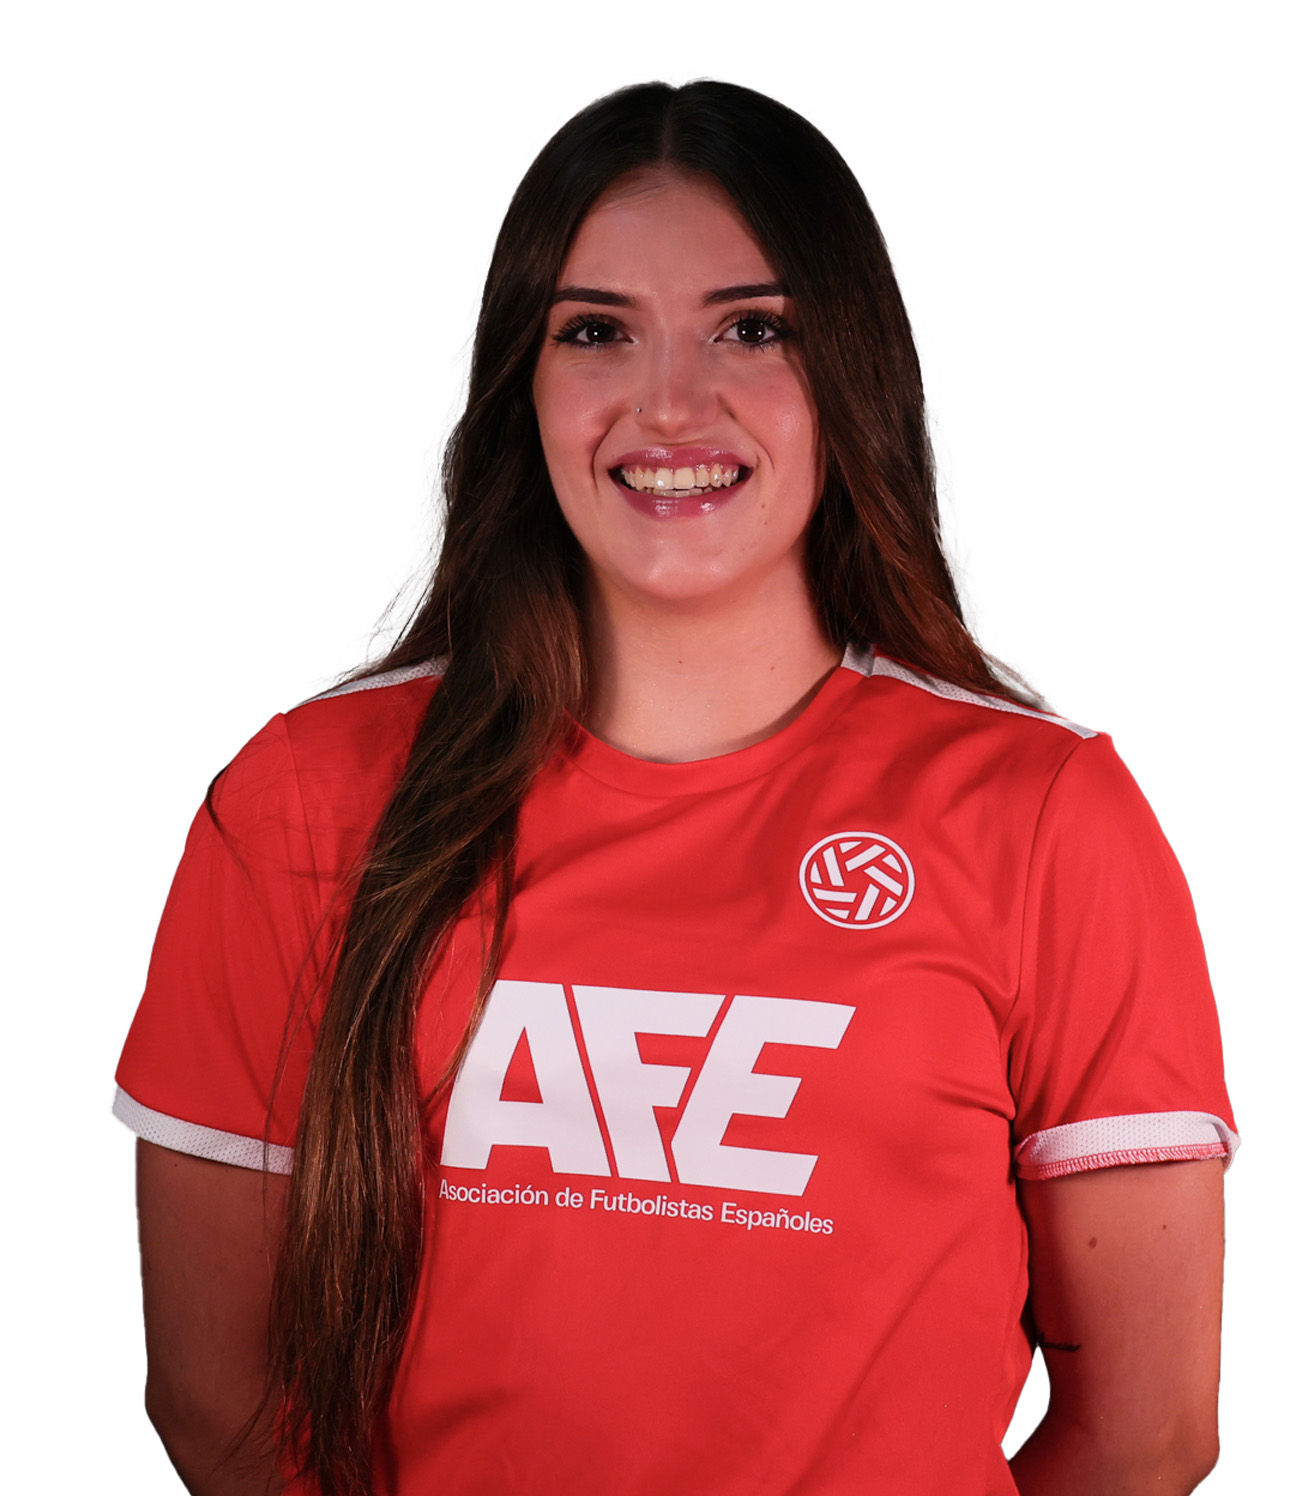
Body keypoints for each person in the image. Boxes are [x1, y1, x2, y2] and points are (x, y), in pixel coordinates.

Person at [115, 80, 1237, 1496]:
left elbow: (1147, 1433)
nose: (669, 404)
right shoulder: (304, 804)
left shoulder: (1044, 818)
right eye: (596, 331)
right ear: (521, 384)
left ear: (854, 373)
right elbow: (219, 1402)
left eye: (752, 329)